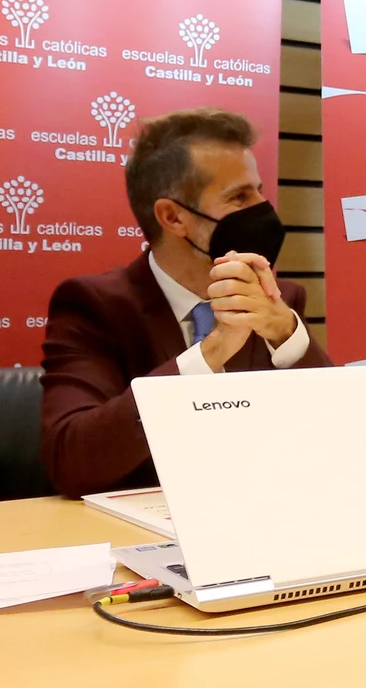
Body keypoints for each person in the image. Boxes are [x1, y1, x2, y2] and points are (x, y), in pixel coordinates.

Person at [39, 109, 330, 498]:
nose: (263, 208)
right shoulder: (96, 306)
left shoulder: (280, 300)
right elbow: (72, 462)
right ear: (173, 217)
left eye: (259, 190)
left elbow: (338, 430)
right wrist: (210, 352)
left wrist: (287, 334)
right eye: (240, 196)